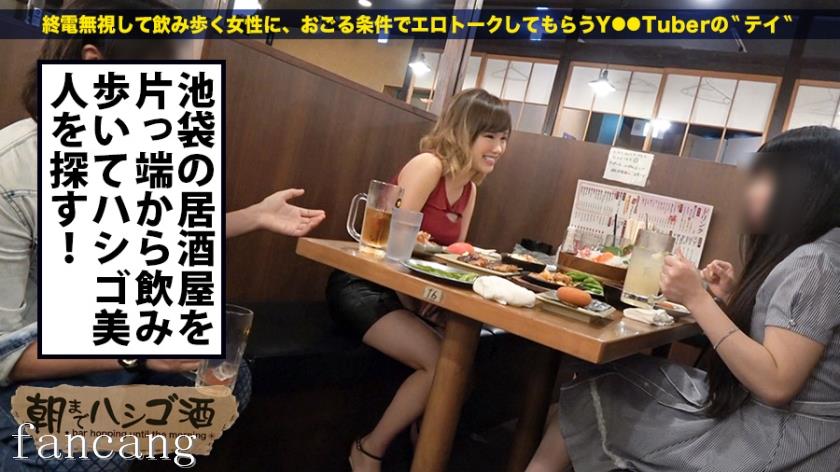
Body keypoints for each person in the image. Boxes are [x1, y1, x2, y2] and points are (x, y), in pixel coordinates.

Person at [0, 0, 324, 469]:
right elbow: (6, 355)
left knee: (228, 380)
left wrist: (255, 215)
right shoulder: (12, 172)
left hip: (110, 353)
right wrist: (137, 354)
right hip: (34, 375)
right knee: (88, 454)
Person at [526, 125, 840, 472]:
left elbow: (776, 383)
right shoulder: (823, 252)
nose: (750, 191)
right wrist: (730, 297)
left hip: (777, 444)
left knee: (593, 388)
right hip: (787, 432)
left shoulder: (816, 263)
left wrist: (697, 299)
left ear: (804, 187)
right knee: (582, 397)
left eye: (764, 179)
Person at [325, 88, 511, 471]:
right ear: (465, 130)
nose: (498, 148)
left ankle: (419, 449)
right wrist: (418, 302)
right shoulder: (429, 166)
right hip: (364, 286)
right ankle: (369, 449)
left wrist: (434, 303)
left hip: (408, 296)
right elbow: (390, 248)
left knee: (464, 370)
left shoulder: (469, 190)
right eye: (490, 136)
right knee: (443, 366)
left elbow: (450, 259)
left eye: (504, 138)